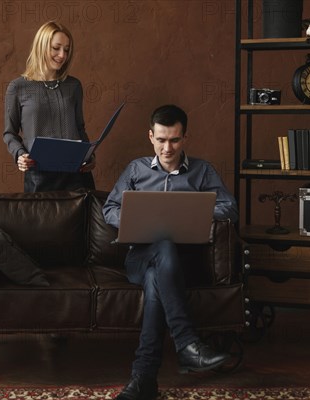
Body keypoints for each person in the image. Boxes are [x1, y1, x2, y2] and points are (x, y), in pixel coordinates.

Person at [103, 104, 238, 400]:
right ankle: (188, 345)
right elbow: (109, 208)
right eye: (161, 139)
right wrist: (130, 217)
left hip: (183, 261)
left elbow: (230, 207)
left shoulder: (203, 171)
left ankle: (144, 379)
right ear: (151, 136)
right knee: (159, 250)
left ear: (185, 138)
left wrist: (198, 211)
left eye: (174, 140)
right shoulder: (135, 170)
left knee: (157, 279)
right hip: (139, 258)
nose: (167, 148)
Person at [3, 21, 95, 192]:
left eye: (66, 50)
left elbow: (80, 129)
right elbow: (9, 133)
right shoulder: (18, 87)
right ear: (41, 46)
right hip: (39, 177)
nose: (62, 55)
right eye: (56, 48)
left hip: (76, 176)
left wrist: (90, 157)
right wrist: (20, 155)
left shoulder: (74, 86)